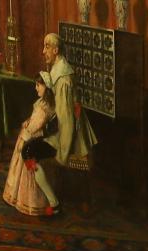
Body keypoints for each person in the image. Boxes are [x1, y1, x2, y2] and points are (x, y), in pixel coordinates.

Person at [0, 77, 60, 218]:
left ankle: (51, 202)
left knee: (26, 153)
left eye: (39, 85)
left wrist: (24, 138)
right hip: (42, 138)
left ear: (47, 87)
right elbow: (35, 122)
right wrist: (28, 121)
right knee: (27, 155)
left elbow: (35, 127)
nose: (36, 88)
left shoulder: (44, 107)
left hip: (47, 141)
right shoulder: (43, 103)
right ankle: (50, 201)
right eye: (36, 85)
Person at [41, 33, 95, 172]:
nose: (43, 51)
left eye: (47, 47)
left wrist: (61, 158)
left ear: (56, 50)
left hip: (70, 143)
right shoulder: (58, 69)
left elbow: (66, 121)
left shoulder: (63, 80)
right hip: (59, 130)